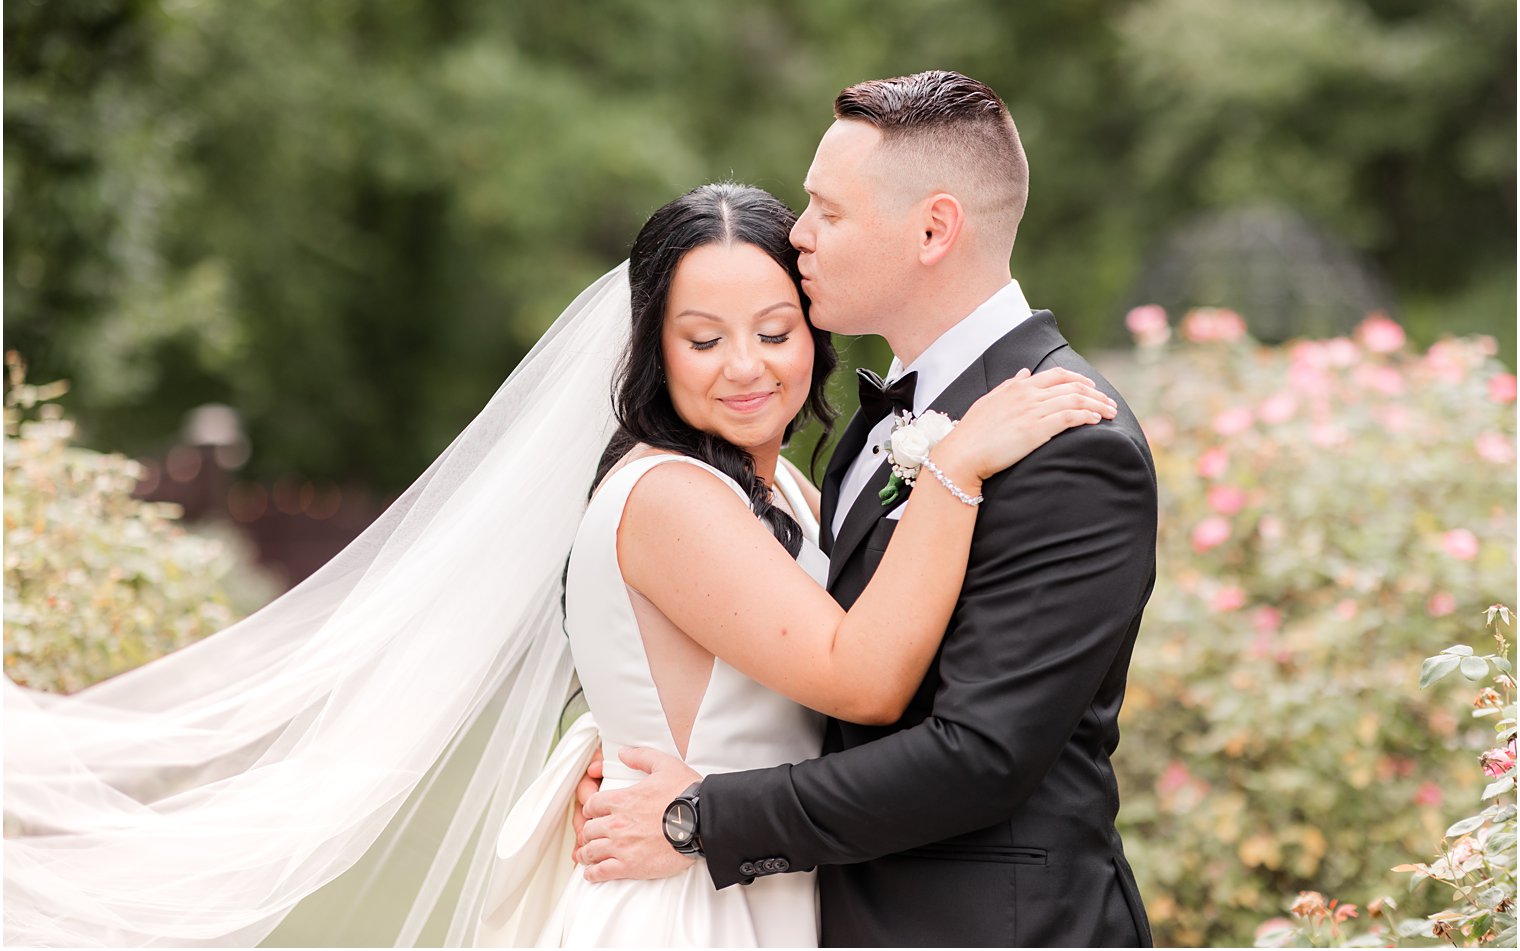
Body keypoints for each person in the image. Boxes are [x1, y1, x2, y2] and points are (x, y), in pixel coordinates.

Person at [2, 177, 1112, 945]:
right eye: (701, 337)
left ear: (814, 333)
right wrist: (957, 466)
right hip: (688, 911)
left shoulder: (780, 487)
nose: (746, 368)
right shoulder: (673, 497)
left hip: (751, 883)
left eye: (775, 330)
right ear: (650, 347)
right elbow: (860, 677)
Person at [576, 71, 1159, 948]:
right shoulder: (879, 427)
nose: (800, 235)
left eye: (829, 212)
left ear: (934, 228)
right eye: (705, 338)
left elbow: (980, 757)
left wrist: (700, 813)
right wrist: (626, 747)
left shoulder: (1067, 439)